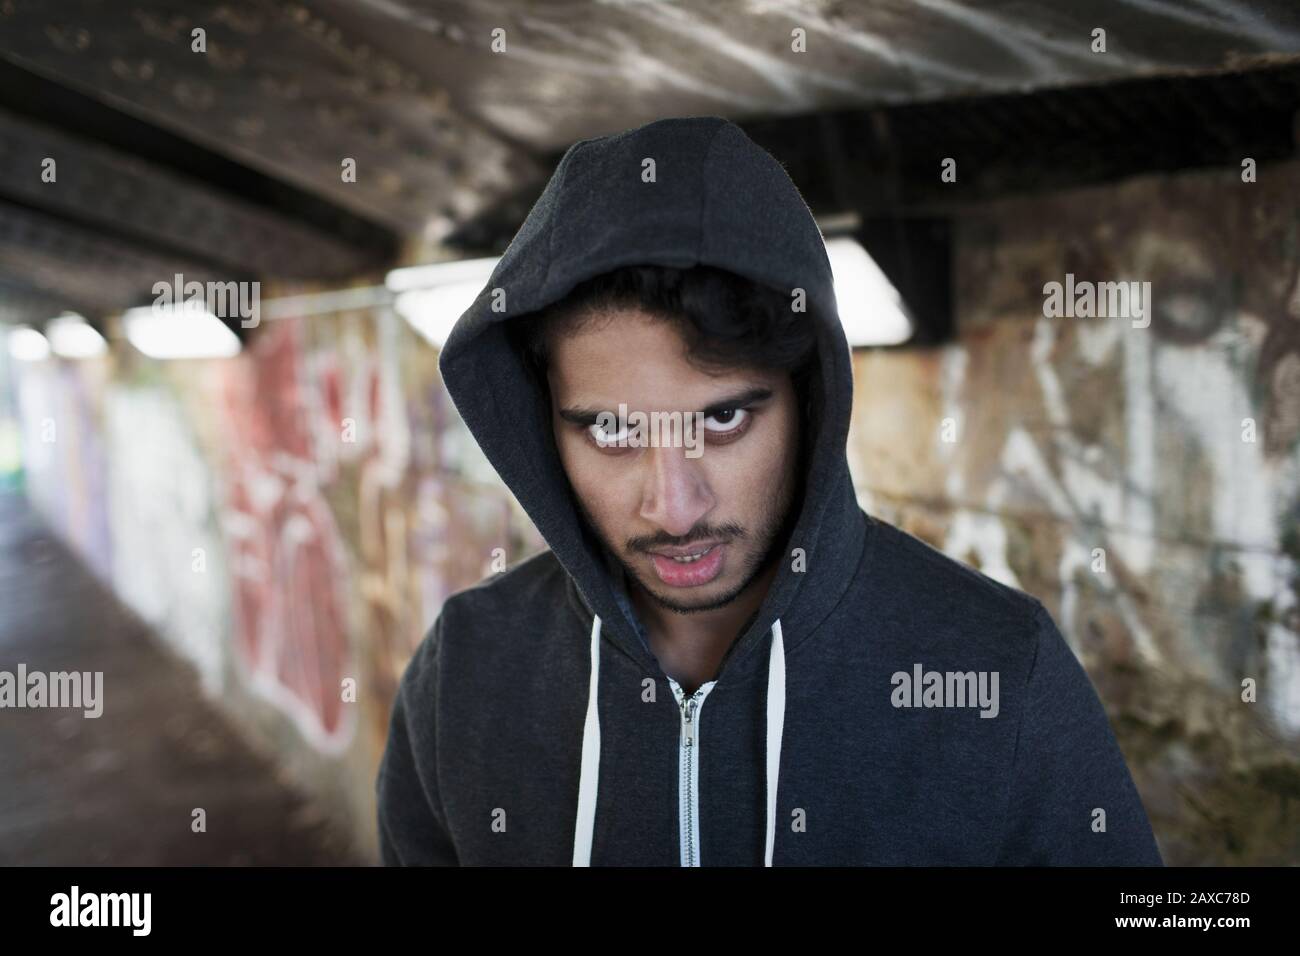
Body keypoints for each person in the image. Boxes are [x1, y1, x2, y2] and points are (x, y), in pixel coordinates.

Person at [376, 116, 1163, 866]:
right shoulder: (467, 671)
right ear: (545, 420)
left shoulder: (995, 666)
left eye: (722, 419)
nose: (674, 507)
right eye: (611, 432)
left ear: (806, 402)